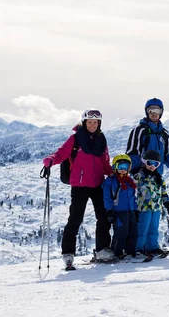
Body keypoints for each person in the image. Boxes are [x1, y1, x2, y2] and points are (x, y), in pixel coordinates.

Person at [42, 109, 115, 268]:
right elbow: (61, 154)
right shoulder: (75, 139)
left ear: (99, 123)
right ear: (84, 123)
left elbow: (104, 162)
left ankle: (102, 249)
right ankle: (68, 254)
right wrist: (50, 160)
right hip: (80, 186)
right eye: (89, 122)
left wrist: (112, 174)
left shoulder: (101, 140)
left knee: (103, 217)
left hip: (97, 184)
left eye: (95, 122)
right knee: (75, 219)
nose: (92, 125)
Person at [125, 98, 169, 177]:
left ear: (161, 112)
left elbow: (167, 154)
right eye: (151, 110)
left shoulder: (164, 134)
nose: (154, 113)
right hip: (141, 176)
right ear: (147, 112)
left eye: (157, 110)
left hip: (157, 176)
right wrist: (135, 170)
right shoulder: (140, 130)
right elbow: (132, 152)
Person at [134, 150, 169, 255]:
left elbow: (163, 193)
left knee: (154, 228)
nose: (152, 166)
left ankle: (152, 247)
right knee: (142, 228)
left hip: (156, 207)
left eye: (155, 164)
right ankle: (138, 248)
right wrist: (134, 208)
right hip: (143, 207)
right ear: (144, 162)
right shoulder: (139, 177)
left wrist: (168, 204)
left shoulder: (159, 178)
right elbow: (133, 193)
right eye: (149, 163)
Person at [102, 154, 139, 260]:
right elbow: (107, 197)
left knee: (133, 231)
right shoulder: (110, 181)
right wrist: (109, 210)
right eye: (121, 167)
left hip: (130, 210)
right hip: (118, 211)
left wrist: (135, 210)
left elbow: (133, 197)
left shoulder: (129, 181)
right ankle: (116, 252)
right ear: (115, 167)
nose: (123, 170)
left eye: (126, 167)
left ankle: (130, 251)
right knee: (121, 232)